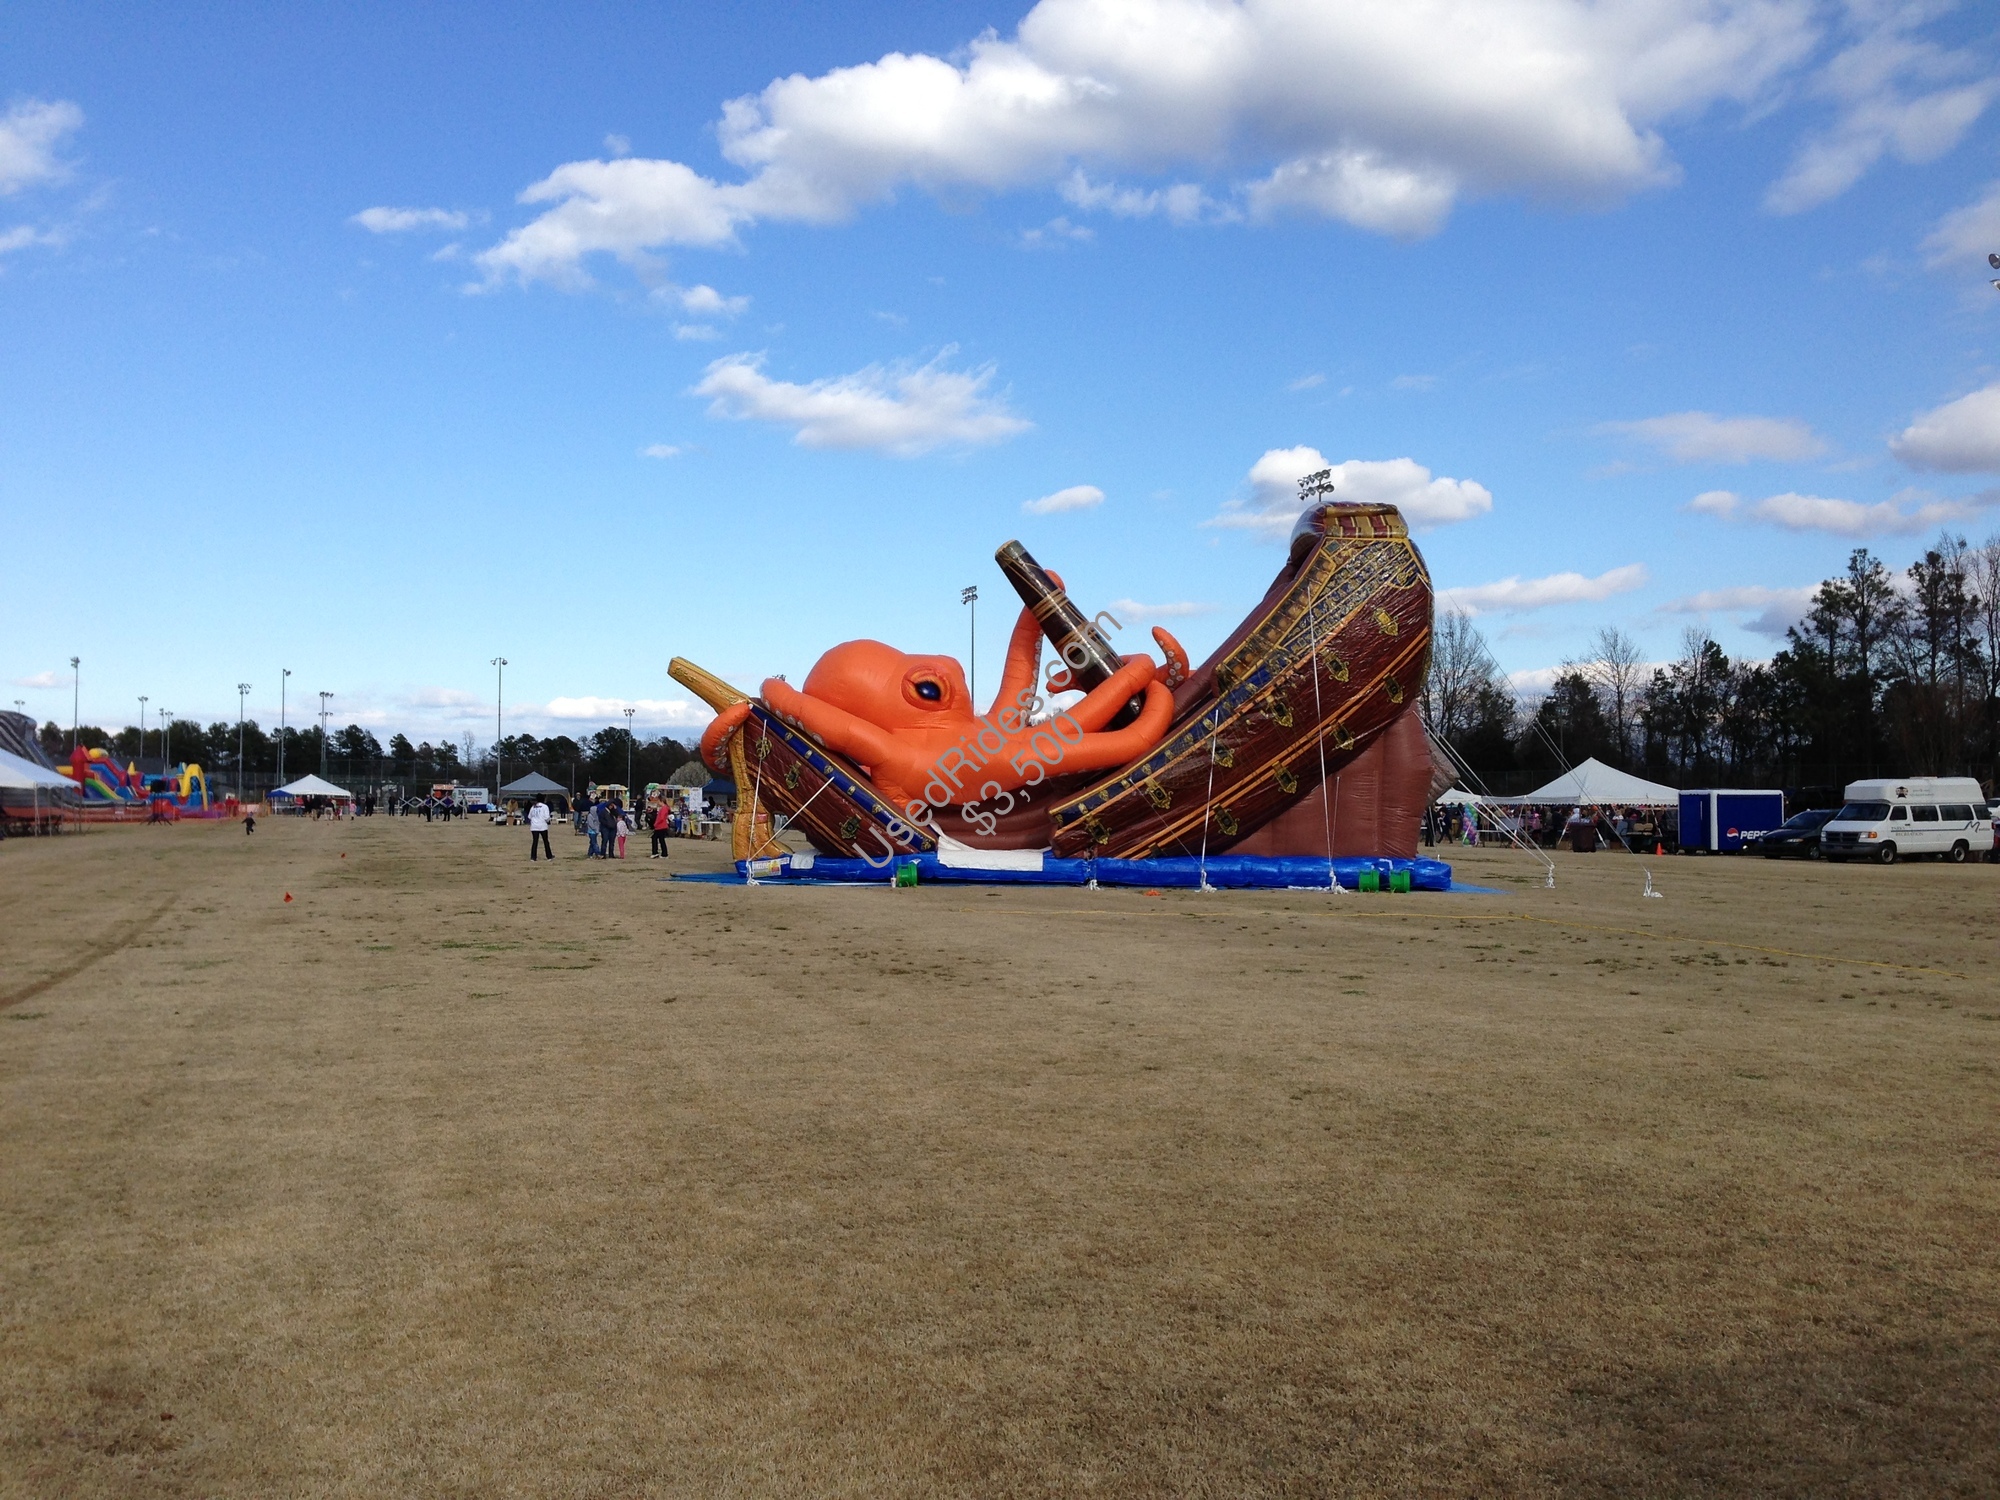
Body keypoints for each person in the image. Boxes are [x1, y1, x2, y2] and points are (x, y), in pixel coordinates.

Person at [528, 797, 553, 861]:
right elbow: (547, 817)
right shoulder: (545, 806)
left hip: (534, 826)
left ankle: (533, 857)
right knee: (545, 841)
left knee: (535, 842)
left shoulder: (533, 807)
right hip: (542, 826)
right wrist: (548, 821)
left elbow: (529, 816)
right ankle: (549, 856)